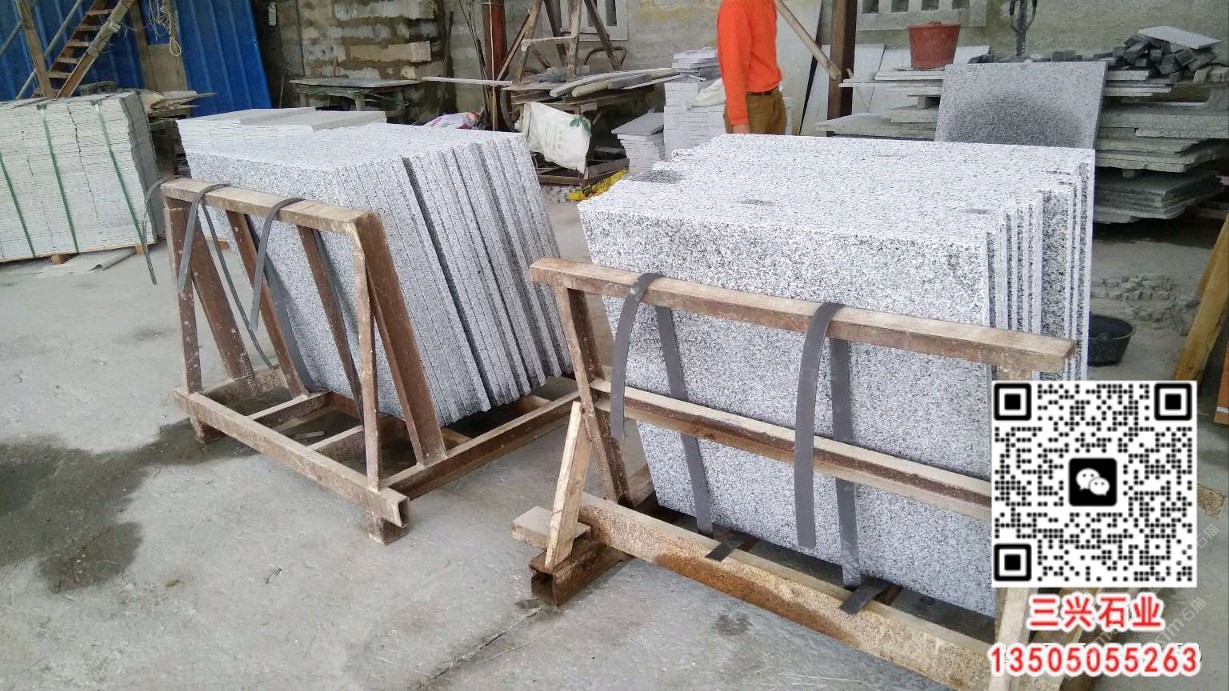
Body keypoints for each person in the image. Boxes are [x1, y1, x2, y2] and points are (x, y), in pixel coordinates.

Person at [717, 0, 786, 135]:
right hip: (752, 106)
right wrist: (739, 119)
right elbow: (733, 64)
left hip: (773, 99)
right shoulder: (735, 5)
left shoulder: (766, 3)